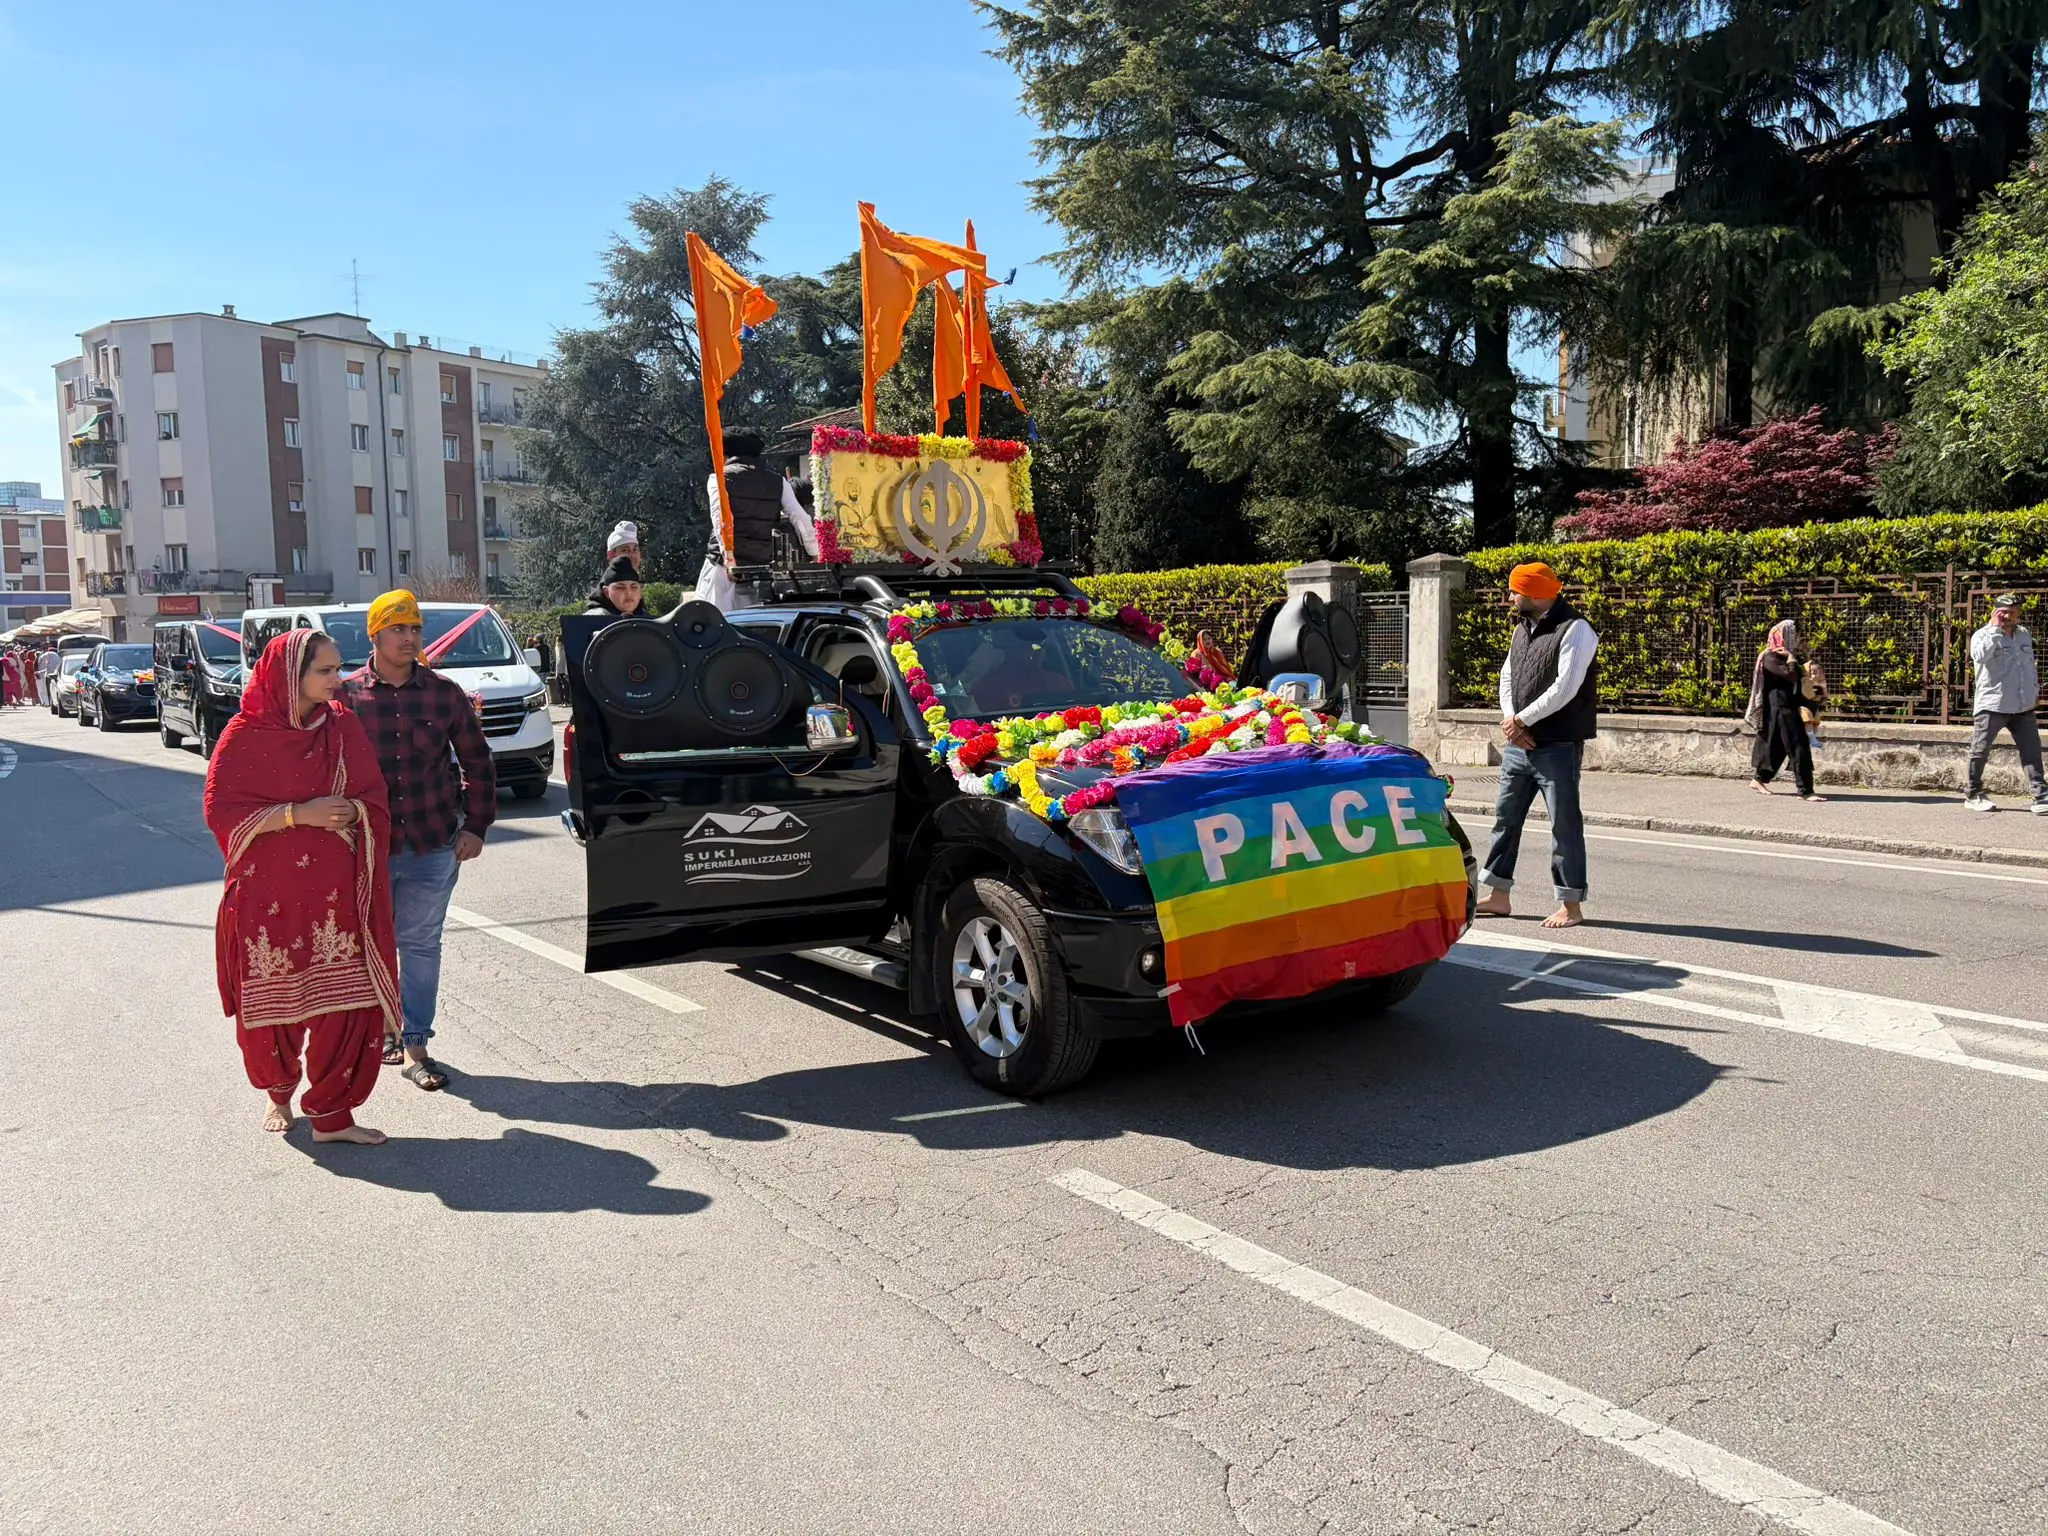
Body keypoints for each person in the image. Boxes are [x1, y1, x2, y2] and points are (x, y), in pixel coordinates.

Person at [203, 629, 400, 1144]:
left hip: (337, 898)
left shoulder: (342, 726)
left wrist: (353, 811)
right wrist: (297, 815)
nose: (338, 680)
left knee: (347, 1005)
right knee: (276, 1006)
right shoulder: (245, 733)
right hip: (268, 898)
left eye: (338, 668)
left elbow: (374, 799)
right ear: (291, 674)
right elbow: (221, 811)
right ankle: (279, 1095)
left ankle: (333, 1118)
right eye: (326, 671)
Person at [344, 589, 497, 1091]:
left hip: (433, 842)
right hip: (368, 848)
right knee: (375, 941)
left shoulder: (444, 694)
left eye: (415, 629)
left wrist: (476, 826)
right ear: (376, 633)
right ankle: (385, 1027)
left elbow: (477, 763)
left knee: (421, 943)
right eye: (398, 629)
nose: (409, 638)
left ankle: (415, 1045)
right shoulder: (345, 697)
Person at [1475, 562, 1600, 929]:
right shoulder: (1522, 628)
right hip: (1519, 744)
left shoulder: (1576, 629)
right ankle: (1498, 895)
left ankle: (1570, 904)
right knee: (1505, 820)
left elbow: (1565, 687)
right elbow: (1508, 675)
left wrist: (1520, 720)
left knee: (1564, 825)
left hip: (1557, 745)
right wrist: (1511, 721)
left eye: (1515, 591)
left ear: (1535, 592)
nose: (1510, 597)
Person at [692, 430, 819, 613]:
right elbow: (800, 517)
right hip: (760, 571)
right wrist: (815, 553)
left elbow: (720, 518)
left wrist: (729, 559)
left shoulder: (719, 479)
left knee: (711, 627)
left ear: (726, 454)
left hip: (723, 568)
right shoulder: (778, 481)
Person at [1964, 591, 2048, 813]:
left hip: (2022, 705)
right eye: (2005, 612)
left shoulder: (2023, 634)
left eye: (2013, 612)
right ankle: (1973, 793)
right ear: (1996, 612)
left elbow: (2028, 666)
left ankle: (2041, 796)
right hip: (1993, 704)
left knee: (2031, 751)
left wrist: (2033, 692)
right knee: (1980, 750)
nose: (2009, 617)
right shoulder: (1982, 635)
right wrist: (1994, 629)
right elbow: (1980, 657)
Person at [1745, 619, 1825, 801]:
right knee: (1798, 746)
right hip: (1780, 708)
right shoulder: (1770, 656)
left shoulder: (1783, 656)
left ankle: (1759, 779)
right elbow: (1789, 675)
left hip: (1787, 706)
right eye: (1792, 634)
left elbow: (1798, 678)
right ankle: (1806, 791)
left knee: (1778, 747)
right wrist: (1791, 659)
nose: (1795, 638)